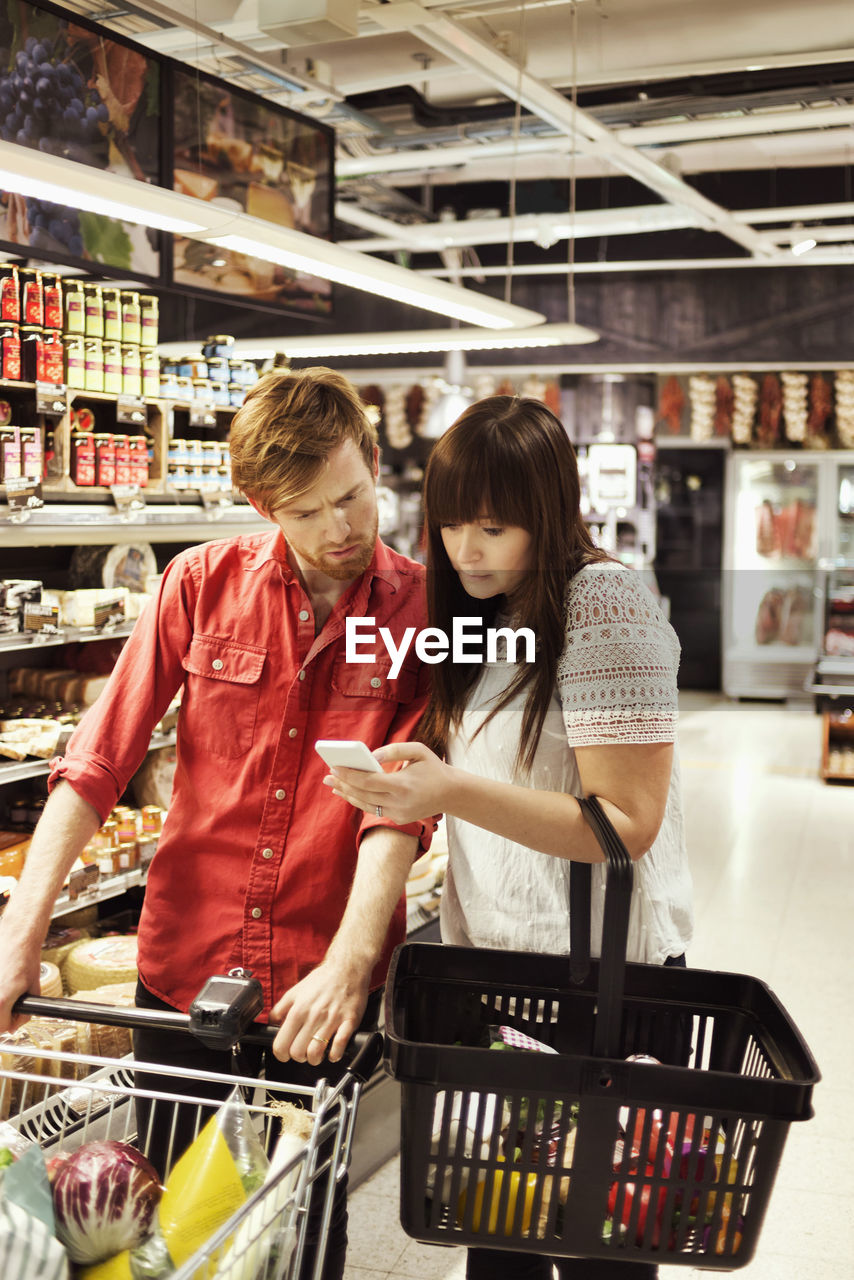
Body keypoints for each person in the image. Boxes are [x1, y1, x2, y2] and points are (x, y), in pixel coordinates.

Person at [0, 366, 434, 1280]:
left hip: (322, 984)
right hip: (182, 967)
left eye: (353, 496)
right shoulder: (197, 583)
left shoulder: (424, 612)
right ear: (260, 502)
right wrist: (21, 929)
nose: (341, 529)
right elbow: (97, 761)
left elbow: (400, 811)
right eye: (307, 511)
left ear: (373, 455)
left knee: (300, 1231)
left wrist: (352, 968)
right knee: (156, 1233)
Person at [325, 395, 693, 1280]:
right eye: (450, 524)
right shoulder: (491, 613)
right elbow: (516, 776)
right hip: (501, 979)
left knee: (602, 1251)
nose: (464, 550)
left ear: (548, 513)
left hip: (603, 992)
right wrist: (422, 778)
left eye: (493, 525)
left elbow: (624, 826)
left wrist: (452, 789)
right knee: (500, 1247)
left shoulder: (605, 605)